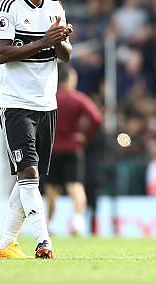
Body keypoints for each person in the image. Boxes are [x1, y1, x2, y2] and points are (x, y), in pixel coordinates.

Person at [0, 0, 73, 259]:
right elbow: (2, 54)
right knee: (28, 174)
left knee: (27, 178)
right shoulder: (7, 8)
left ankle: (5, 244)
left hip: (46, 105)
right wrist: (44, 40)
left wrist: (61, 40)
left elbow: (65, 55)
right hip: (16, 104)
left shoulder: (55, 8)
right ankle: (43, 241)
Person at [43, 63, 103, 236]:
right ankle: (77, 222)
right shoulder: (78, 98)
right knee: (76, 187)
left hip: (52, 149)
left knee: (51, 190)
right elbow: (97, 118)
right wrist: (85, 136)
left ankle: (50, 224)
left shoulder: (49, 97)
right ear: (70, 79)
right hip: (72, 148)